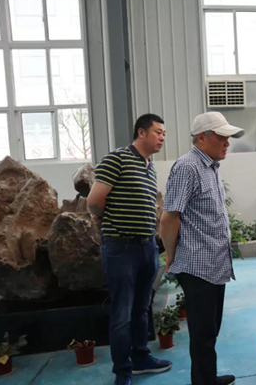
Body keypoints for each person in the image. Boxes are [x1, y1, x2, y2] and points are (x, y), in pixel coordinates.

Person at [159, 111, 244, 385]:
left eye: (228, 137)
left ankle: (208, 377)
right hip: (197, 267)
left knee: (210, 330)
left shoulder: (211, 166)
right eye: (222, 137)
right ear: (202, 137)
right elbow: (169, 218)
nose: (227, 143)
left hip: (214, 264)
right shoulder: (187, 167)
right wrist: (171, 256)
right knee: (203, 335)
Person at [87, 114, 171, 385]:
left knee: (141, 309)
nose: (162, 137)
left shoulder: (149, 166)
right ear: (141, 132)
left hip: (147, 246)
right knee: (122, 313)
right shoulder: (117, 159)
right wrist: (108, 220)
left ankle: (141, 358)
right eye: (158, 132)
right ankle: (123, 371)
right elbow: (94, 201)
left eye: (164, 133)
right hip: (121, 247)